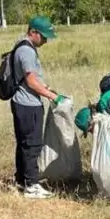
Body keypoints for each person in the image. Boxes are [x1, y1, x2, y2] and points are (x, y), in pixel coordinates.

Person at [10, 16, 67, 199]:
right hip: (28, 105)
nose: (46, 41)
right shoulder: (26, 51)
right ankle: (32, 186)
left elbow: (32, 80)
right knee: (32, 145)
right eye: (43, 36)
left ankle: (21, 180)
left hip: (22, 103)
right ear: (33, 32)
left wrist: (46, 88)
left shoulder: (22, 46)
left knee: (24, 143)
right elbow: (31, 82)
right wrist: (53, 96)